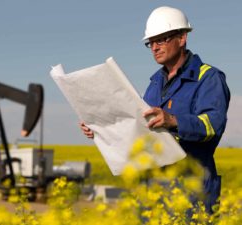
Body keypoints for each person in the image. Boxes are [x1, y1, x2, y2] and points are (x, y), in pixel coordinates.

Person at [80, 6, 230, 212]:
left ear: (182, 38)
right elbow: (138, 127)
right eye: (150, 42)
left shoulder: (208, 77)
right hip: (151, 191)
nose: (155, 47)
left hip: (191, 191)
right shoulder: (154, 83)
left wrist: (174, 121)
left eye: (161, 40)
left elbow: (214, 125)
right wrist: (100, 128)